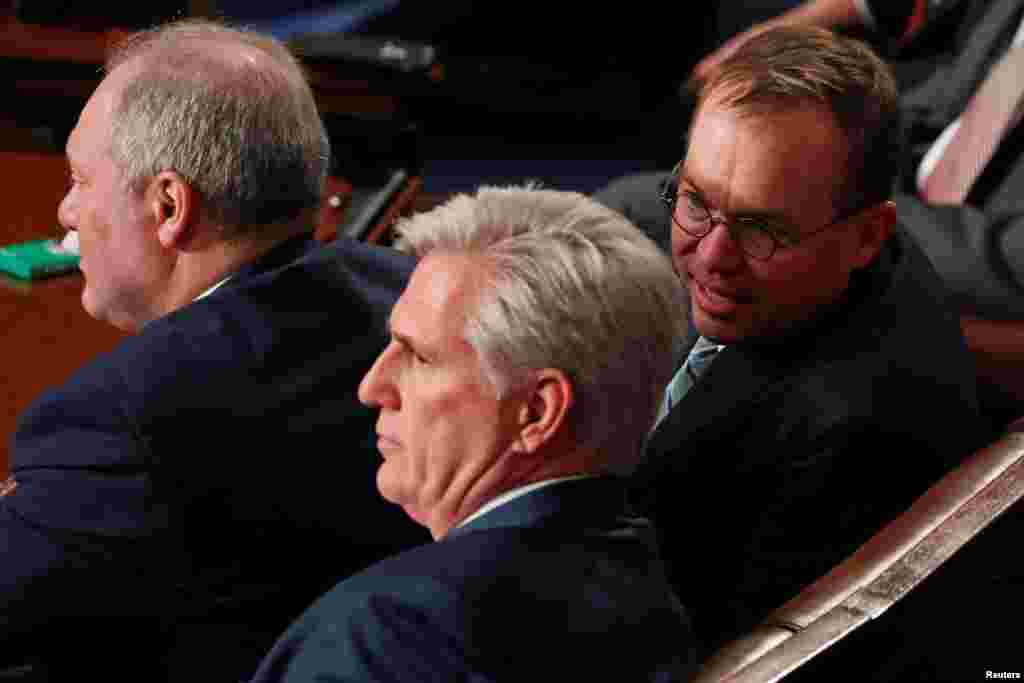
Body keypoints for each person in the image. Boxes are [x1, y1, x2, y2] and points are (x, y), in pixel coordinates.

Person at [0, 19, 426, 681]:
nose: (65, 212)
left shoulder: (121, 420)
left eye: (82, 181)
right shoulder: (403, 293)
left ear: (169, 205)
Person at [627, 25, 990, 672]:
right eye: (696, 201)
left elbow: (687, 647)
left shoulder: (857, 436)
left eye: (762, 229)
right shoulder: (817, 257)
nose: (710, 257)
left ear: (866, 235)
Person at [249, 185, 696, 682]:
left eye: (418, 356)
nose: (372, 387)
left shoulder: (386, 636)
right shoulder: (650, 594)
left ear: (536, 412)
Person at [600, 0, 1024, 322]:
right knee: (613, 223)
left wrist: (845, 214)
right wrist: (816, 18)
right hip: (904, 153)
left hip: (961, 241)